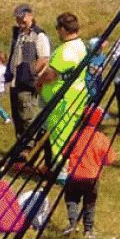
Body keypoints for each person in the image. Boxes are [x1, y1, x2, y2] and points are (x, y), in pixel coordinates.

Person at [39, 12, 93, 164]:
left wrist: (38, 83)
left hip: (61, 101)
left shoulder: (65, 51)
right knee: (70, 133)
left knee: (58, 136)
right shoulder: (81, 45)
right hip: (77, 96)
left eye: (58, 28)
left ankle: (60, 170)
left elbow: (51, 75)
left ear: (63, 29)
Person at [5, 4, 52, 142]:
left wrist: (29, 73)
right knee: (17, 119)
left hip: (27, 84)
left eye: (22, 17)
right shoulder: (18, 34)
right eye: (18, 18)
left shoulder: (39, 35)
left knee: (27, 119)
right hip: (15, 83)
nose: (20, 21)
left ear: (31, 16)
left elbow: (44, 59)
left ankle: (29, 149)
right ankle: (20, 150)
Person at [62, 124, 114, 237]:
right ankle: (88, 230)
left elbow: (65, 152)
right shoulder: (101, 138)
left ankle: (72, 225)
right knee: (89, 203)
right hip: (92, 178)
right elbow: (110, 159)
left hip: (74, 176)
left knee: (71, 199)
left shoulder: (75, 135)